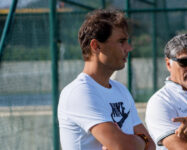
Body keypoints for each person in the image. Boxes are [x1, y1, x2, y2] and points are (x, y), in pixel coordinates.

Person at [58, 9, 155, 150]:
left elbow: (151, 145)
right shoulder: (80, 92)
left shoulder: (120, 90)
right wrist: (139, 141)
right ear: (96, 46)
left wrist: (138, 141)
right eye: (121, 42)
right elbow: (124, 146)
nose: (129, 48)